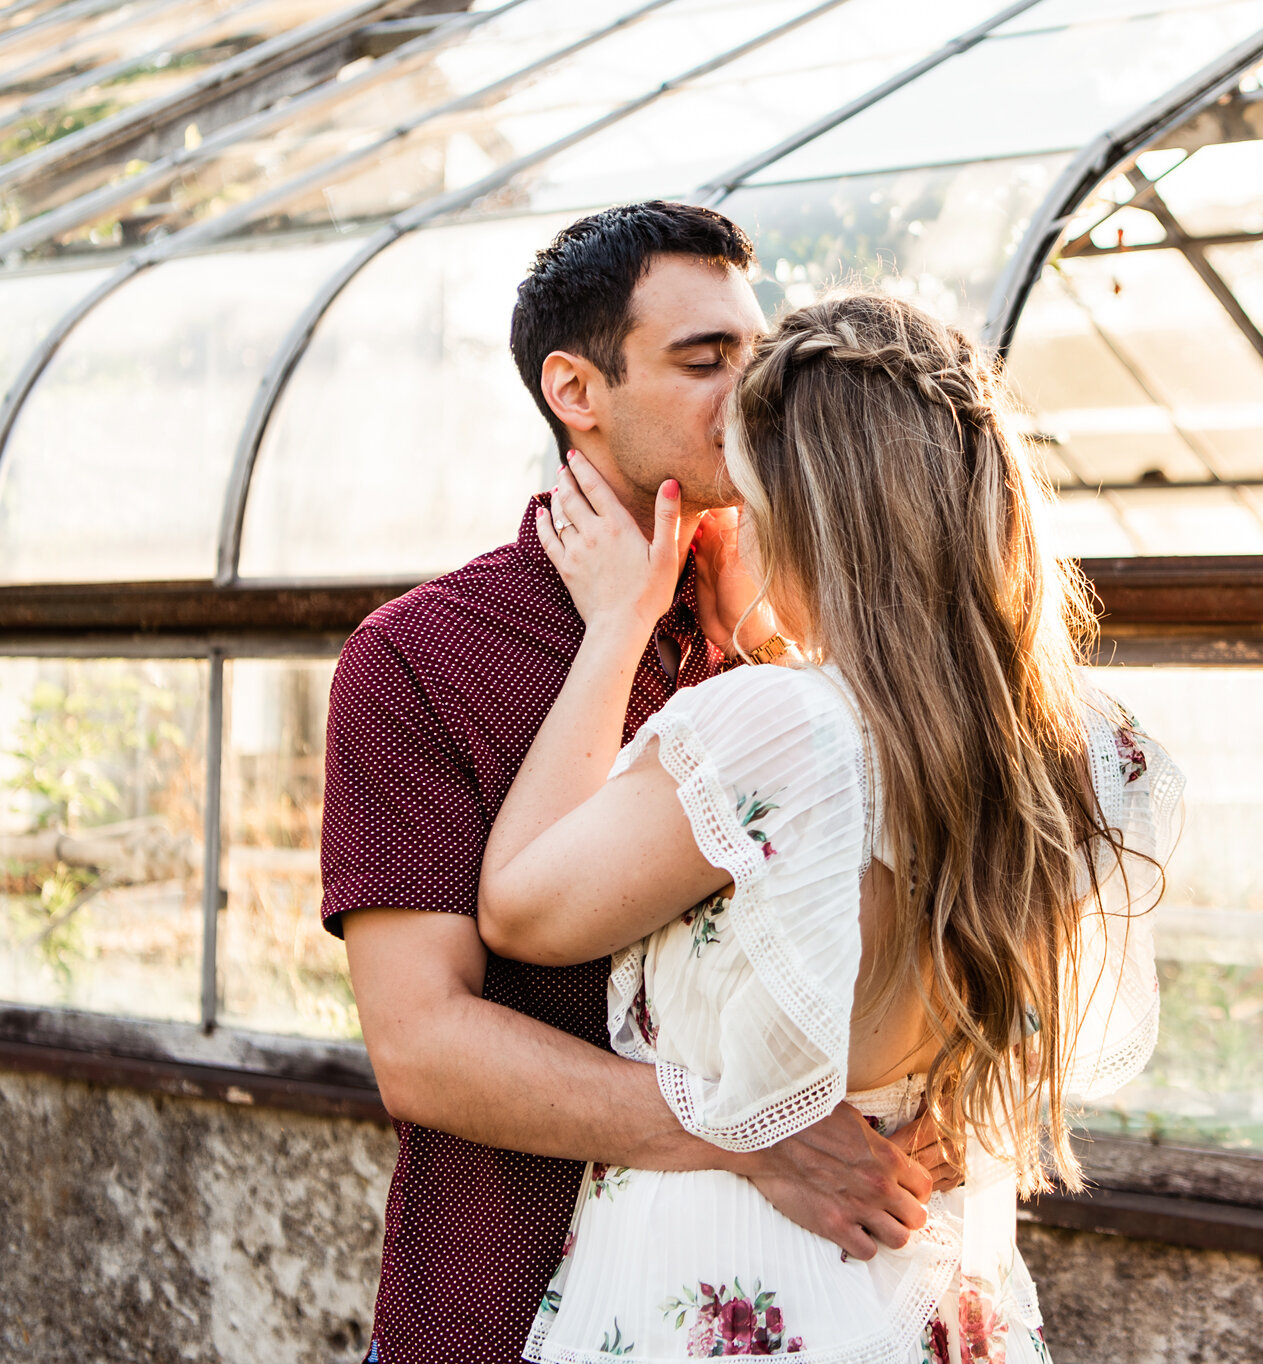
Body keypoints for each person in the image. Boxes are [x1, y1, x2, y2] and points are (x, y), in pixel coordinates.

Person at [473, 292, 1182, 1364]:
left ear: (817, 519)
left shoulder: (778, 728)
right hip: (933, 1271)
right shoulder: (1092, 746)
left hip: (739, 1273)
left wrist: (617, 625)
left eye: (753, 505)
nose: (740, 533)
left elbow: (521, 907)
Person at [323, 203, 944, 1364]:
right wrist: (747, 1130)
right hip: (498, 1311)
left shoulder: (797, 642)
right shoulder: (420, 656)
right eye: (703, 361)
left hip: (804, 1304)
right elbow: (421, 1043)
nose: (750, 395)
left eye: (756, 360)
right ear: (576, 390)